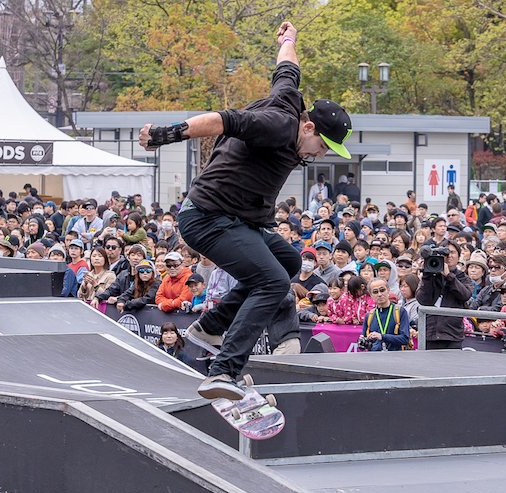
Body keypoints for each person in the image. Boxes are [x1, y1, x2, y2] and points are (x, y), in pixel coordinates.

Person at [138, 20, 353, 398]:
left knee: (286, 263)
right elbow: (224, 120)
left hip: (235, 219)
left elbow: (288, 66)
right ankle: (223, 372)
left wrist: (288, 38)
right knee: (270, 282)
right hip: (208, 218)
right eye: (322, 148)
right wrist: (166, 135)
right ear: (308, 129)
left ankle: (211, 326)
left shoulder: (288, 96)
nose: (320, 156)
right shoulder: (279, 126)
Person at [416, 244, 473, 349]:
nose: (449, 256)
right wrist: (427, 276)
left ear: (459, 256)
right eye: (445, 253)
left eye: (452, 252)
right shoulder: (431, 276)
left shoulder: (462, 277)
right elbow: (423, 300)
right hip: (430, 334)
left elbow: (465, 295)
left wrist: (449, 276)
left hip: (452, 336)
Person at [361, 277, 411, 351]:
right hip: (375, 359)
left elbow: (405, 339)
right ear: (371, 295)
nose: (380, 294)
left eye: (382, 290)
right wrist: (362, 342)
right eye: (375, 292)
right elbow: (365, 344)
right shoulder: (369, 316)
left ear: (388, 290)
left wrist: (382, 337)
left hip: (395, 358)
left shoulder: (400, 311)